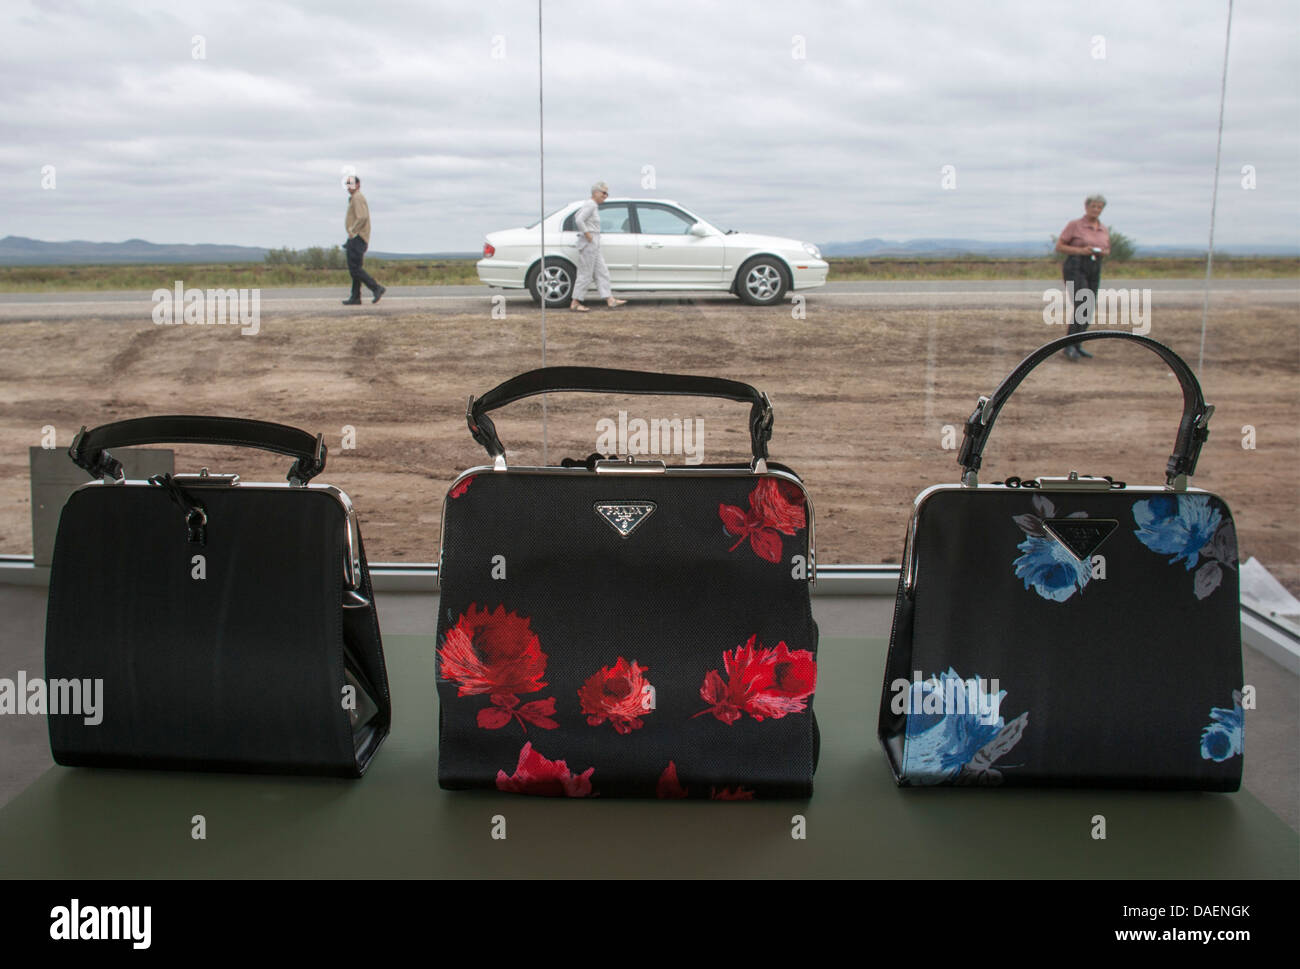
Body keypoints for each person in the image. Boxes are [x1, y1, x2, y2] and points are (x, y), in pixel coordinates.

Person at [1054, 194, 1110, 360]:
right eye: (1093, 206)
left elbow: (1107, 249)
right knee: (1081, 303)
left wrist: (1100, 252)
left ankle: (1078, 344)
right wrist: (1080, 251)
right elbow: (1060, 246)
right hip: (1075, 265)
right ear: (1086, 207)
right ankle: (1068, 345)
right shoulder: (1075, 225)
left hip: (1094, 265)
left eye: (1099, 207)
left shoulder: (1103, 228)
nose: (1096, 210)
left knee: (1089, 306)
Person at [570, 181, 626, 312]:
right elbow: (579, 220)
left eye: (607, 193)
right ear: (596, 192)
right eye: (604, 193)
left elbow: (576, 215)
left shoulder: (591, 205)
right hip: (590, 242)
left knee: (602, 271)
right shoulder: (591, 205)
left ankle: (609, 299)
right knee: (585, 274)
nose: (606, 195)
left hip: (594, 243)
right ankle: (575, 302)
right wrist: (587, 234)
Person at [342, 175, 386, 305]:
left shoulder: (357, 198)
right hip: (357, 237)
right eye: (347, 185)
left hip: (358, 237)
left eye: (351, 184)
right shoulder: (354, 198)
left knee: (355, 268)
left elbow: (362, 217)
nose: (349, 188)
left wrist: (352, 230)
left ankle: (376, 287)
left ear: (358, 185)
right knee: (354, 268)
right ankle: (355, 297)